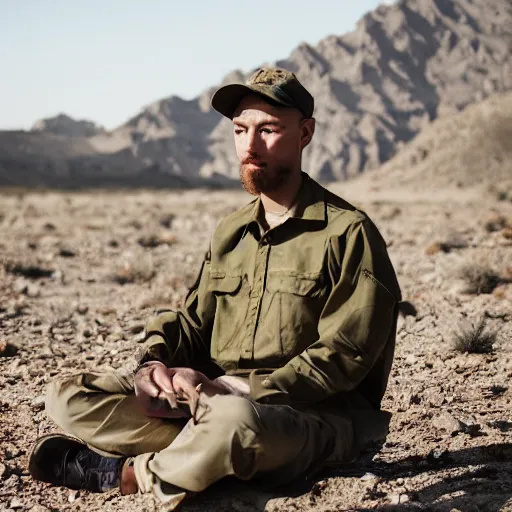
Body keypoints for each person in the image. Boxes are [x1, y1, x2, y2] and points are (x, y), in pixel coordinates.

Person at [29, 68, 401, 509]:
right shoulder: (232, 231)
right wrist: (155, 366)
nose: (250, 145)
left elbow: (346, 355)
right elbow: (191, 321)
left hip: (306, 417)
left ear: (305, 134)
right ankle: (201, 457)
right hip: (209, 403)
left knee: (235, 423)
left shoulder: (347, 233)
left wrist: (240, 389)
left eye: (268, 130)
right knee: (69, 394)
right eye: (240, 130)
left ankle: (128, 474)